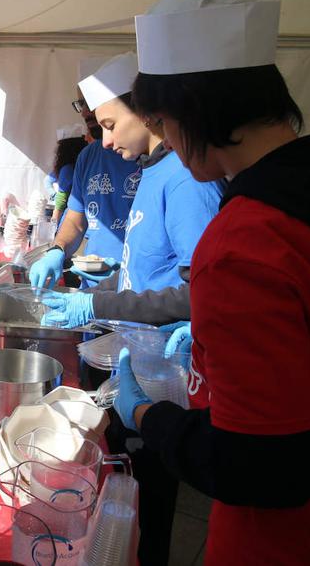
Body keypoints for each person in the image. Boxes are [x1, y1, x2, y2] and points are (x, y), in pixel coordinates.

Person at [118, 0, 310, 564]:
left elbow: (265, 470)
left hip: (299, 543)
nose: (167, 142)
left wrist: (149, 415)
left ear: (191, 113)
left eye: (164, 125)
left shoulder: (246, 244)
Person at [41, 51, 223, 566]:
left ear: (147, 111)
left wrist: (97, 301)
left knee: (151, 506)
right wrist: (111, 274)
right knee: (127, 494)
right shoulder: (155, 169)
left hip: (164, 370)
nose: (104, 140)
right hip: (137, 357)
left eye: (110, 124)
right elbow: (155, 264)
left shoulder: (187, 180)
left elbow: (201, 287)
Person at [30, 66, 139, 290]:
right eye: (81, 103)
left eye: (90, 102)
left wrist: (129, 274)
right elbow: (76, 219)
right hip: (92, 289)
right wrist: (57, 250)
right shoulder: (88, 157)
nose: (85, 112)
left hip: (138, 295)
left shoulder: (152, 162)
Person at [48, 126, 87, 224]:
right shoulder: (86, 165)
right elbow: (49, 179)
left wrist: (54, 222)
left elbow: (62, 198)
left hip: (70, 219)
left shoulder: (68, 169)